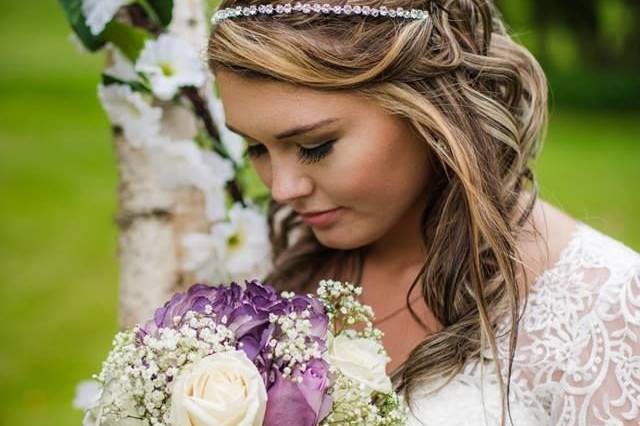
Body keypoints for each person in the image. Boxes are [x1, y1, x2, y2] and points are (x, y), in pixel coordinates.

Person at [207, 0, 640, 424]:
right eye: (256, 148)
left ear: (430, 108)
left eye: (314, 147)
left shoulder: (607, 308)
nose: (282, 190)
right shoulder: (264, 271)